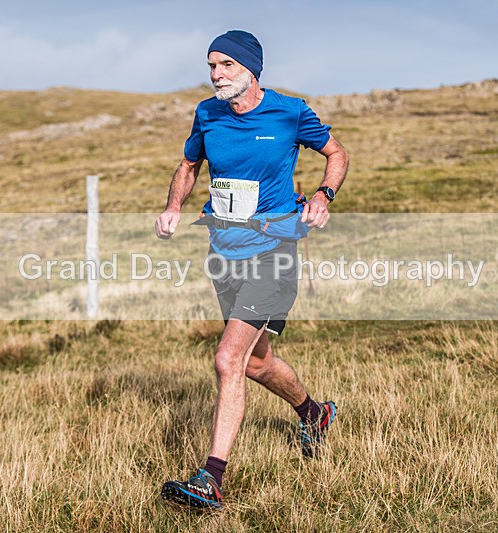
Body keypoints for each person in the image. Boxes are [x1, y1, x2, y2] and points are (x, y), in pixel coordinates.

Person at [155, 29, 349, 510]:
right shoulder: (208, 113)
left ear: (251, 70)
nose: (216, 75)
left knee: (228, 358)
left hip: (274, 251)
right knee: (256, 362)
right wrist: (174, 207)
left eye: (226, 65)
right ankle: (314, 414)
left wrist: (323, 196)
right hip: (224, 252)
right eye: (211, 66)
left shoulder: (290, 112)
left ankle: (211, 478)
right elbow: (188, 164)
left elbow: (337, 153)